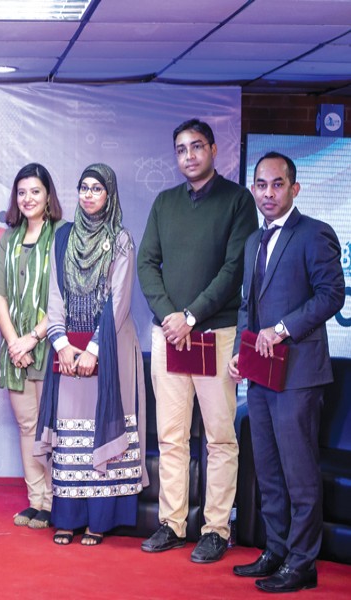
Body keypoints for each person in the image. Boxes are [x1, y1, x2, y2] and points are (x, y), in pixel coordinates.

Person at [137, 118, 258, 563]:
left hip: (216, 333)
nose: (189, 156)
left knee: (220, 437)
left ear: (212, 150)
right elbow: (147, 263)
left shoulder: (238, 200)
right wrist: (171, 316)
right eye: (181, 149)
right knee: (171, 437)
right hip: (169, 333)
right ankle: (171, 523)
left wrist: (191, 316)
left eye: (197, 147)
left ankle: (216, 529)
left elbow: (234, 270)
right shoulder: (164, 202)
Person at [228, 152, 344, 593]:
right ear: (253, 189)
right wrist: (242, 349)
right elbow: (246, 304)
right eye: (261, 185)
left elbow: (332, 295)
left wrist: (281, 328)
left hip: (298, 373)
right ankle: (275, 551)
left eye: (277, 185)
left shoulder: (315, 234)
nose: (268, 193)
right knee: (269, 470)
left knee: (299, 472)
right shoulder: (253, 242)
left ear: (295, 188)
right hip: (259, 373)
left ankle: (302, 563)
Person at [36, 163, 147, 546]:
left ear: (109, 194)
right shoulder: (63, 237)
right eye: (83, 187)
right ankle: (68, 517)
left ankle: (100, 520)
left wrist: (94, 350)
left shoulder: (120, 239)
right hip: (68, 350)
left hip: (111, 348)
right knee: (70, 433)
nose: (88, 194)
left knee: (103, 424)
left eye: (96, 188)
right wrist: (62, 343)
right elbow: (54, 294)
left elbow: (117, 300)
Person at [0, 162, 63, 529]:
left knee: (50, 427)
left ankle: (55, 502)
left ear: (48, 195)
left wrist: (33, 337)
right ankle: (36, 500)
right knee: (27, 425)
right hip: (15, 349)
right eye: (22, 192)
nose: (28, 198)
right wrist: (15, 342)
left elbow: (66, 295)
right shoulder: (10, 238)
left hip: (51, 346)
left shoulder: (63, 234)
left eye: (35, 191)